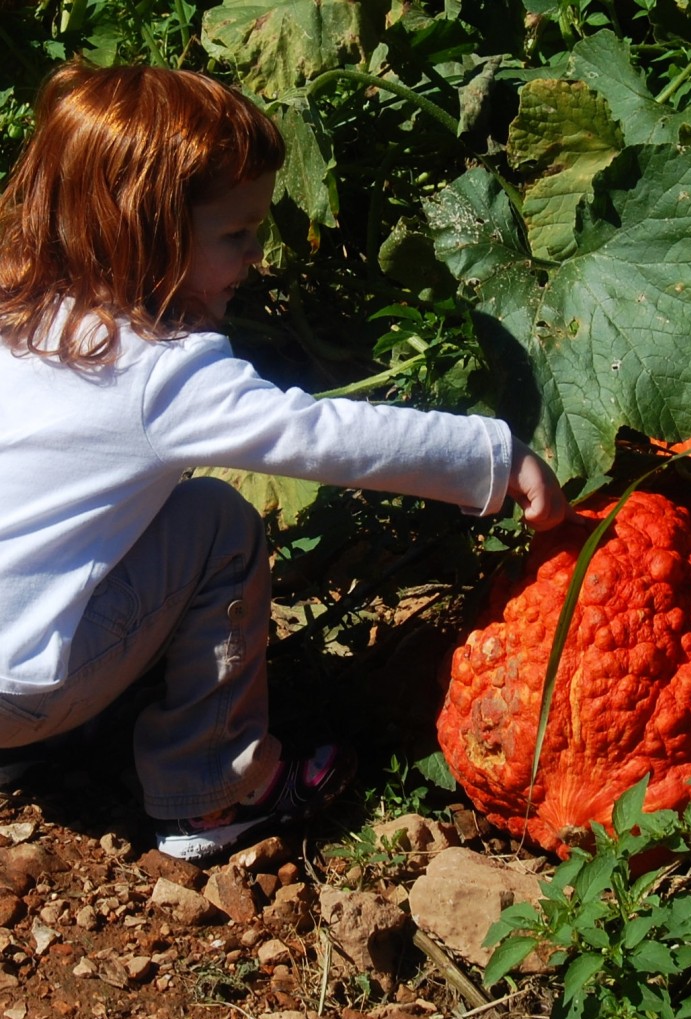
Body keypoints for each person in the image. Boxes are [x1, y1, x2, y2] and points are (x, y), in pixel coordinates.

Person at [0, 61, 573, 863]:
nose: (256, 255)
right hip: (25, 692)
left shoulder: (20, 316)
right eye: (236, 235)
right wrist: (491, 453)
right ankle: (215, 792)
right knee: (214, 524)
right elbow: (321, 435)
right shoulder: (162, 373)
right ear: (146, 229)